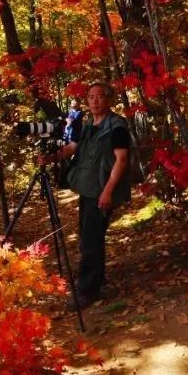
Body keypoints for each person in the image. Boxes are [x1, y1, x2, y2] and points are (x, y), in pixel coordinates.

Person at [46, 81, 131, 310]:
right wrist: (51, 157)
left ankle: (87, 291)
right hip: (88, 189)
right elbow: (72, 148)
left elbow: (121, 160)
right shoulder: (87, 125)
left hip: (102, 190)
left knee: (90, 240)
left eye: (99, 96)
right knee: (89, 236)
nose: (94, 100)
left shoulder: (117, 126)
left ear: (108, 99)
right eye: (91, 97)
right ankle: (97, 278)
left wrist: (108, 191)